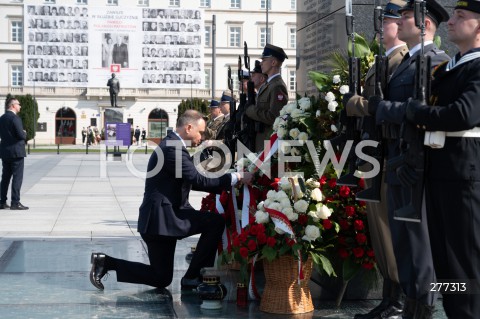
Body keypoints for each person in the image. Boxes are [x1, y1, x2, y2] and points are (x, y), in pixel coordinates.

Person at [89, 110, 254, 291]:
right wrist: (236, 177)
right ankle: (193, 277)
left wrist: (226, 178)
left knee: (161, 277)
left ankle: (105, 262)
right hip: (162, 220)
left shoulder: (173, 146)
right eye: (200, 132)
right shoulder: (172, 149)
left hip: (163, 218)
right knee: (214, 222)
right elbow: (197, 179)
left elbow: (193, 180)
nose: (202, 137)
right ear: (188, 128)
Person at [372, 0, 450, 317]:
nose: (400, 22)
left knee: (419, 244)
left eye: (406, 17)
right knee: (403, 242)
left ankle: (424, 307)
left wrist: (382, 108)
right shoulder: (408, 62)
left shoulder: (436, 62)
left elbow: (424, 112)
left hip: (417, 162)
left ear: (425, 24)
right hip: (396, 157)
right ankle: (410, 303)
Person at [402, 1, 480, 317]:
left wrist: (420, 113)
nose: (452, 20)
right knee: (446, 262)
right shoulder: (450, 67)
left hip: (464, 175)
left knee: (466, 260)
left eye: (462, 16)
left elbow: (465, 113)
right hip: (440, 173)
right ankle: (456, 311)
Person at [343, 1, 408, 318]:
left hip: (386, 150)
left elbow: (379, 104)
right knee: (376, 224)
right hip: (372, 149)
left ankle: (398, 300)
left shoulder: (402, 59)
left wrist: (354, 103)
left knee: (385, 225)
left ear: (402, 24)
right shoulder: (381, 60)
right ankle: (388, 297)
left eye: (387, 23)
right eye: (381, 23)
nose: (381, 28)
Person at [245, 43, 289, 152]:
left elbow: (274, 117)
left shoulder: (277, 86)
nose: (261, 64)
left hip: (268, 142)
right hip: (260, 140)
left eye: (264, 60)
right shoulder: (267, 85)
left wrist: (250, 110)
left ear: (273, 62)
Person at [0, 98, 28, 210]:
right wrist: (24, 133)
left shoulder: (1, 118)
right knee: (17, 177)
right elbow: (21, 135)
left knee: (5, 177)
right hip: (16, 152)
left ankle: (2, 201)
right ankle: (15, 202)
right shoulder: (15, 118)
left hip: (5, 152)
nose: (20, 106)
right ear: (12, 105)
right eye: (18, 104)